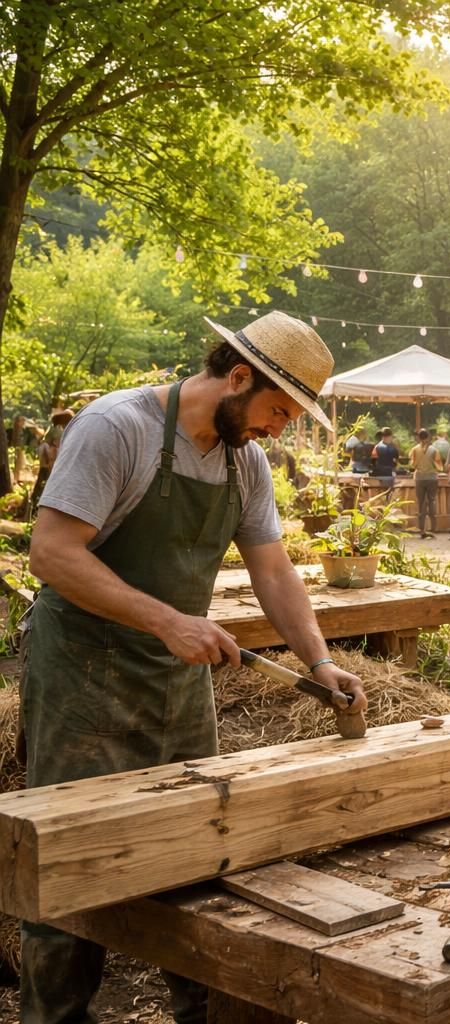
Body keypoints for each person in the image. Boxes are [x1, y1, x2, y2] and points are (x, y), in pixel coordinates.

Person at [20, 310, 367, 1023]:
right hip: (83, 677)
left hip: (176, 683)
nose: (279, 429)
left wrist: (319, 659)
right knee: (69, 866)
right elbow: (52, 554)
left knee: (204, 849)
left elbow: (272, 569)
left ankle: (203, 1012)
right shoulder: (119, 429)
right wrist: (168, 619)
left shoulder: (246, 460)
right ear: (238, 377)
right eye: (277, 410)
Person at [27, 408, 72, 519]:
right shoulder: (56, 431)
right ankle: (36, 508)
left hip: (57, 464)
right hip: (50, 464)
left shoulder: (66, 430)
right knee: (43, 485)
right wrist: (49, 462)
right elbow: (48, 447)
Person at [408, 428, 441, 538]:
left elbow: (412, 465)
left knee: (421, 502)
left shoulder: (414, 450)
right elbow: (439, 466)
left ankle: (422, 528)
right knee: (432, 501)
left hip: (420, 478)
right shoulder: (434, 450)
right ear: (428, 437)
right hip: (432, 478)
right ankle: (434, 527)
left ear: (418, 437)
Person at [371, 427, 399, 498]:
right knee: (389, 494)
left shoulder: (376, 447)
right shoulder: (394, 448)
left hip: (379, 474)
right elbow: (396, 461)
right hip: (390, 474)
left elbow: (373, 461)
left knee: (381, 494)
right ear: (389, 437)